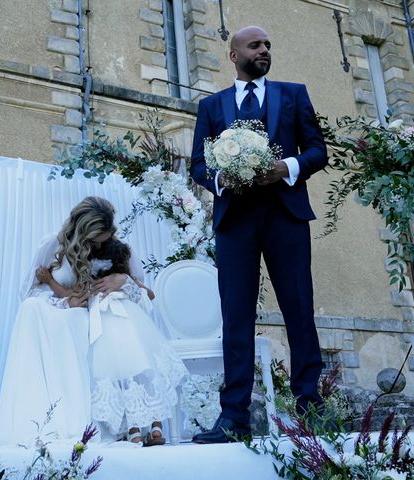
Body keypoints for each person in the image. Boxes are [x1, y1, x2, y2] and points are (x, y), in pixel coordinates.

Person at [189, 26, 328, 444]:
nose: (264, 50)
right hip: (235, 222)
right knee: (236, 317)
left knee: (299, 310)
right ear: (234, 55)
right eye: (255, 45)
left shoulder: (294, 94)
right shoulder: (211, 106)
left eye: (268, 44)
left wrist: (285, 168)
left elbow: (317, 150)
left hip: (286, 216)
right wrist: (221, 178)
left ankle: (310, 410)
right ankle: (234, 417)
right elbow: (197, 164)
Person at [0, 196, 117, 444]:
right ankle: (35, 416)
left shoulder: (111, 247)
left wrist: (120, 280)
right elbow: (28, 290)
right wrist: (63, 301)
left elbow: (135, 280)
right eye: (94, 238)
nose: (98, 243)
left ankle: (74, 416)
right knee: (30, 309)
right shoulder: (52, 244)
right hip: (56, 308)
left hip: (86, 313)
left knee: (72, 322)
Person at [82, 238, 187, 446]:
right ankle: (156, 427)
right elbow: (148, 296)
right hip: (131, 321)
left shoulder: (95, 284)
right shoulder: (124, 280)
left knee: (123, 378)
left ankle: (134, 432)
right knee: (145, 374)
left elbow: (83, 298)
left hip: (105, 326)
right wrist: (128, 281)